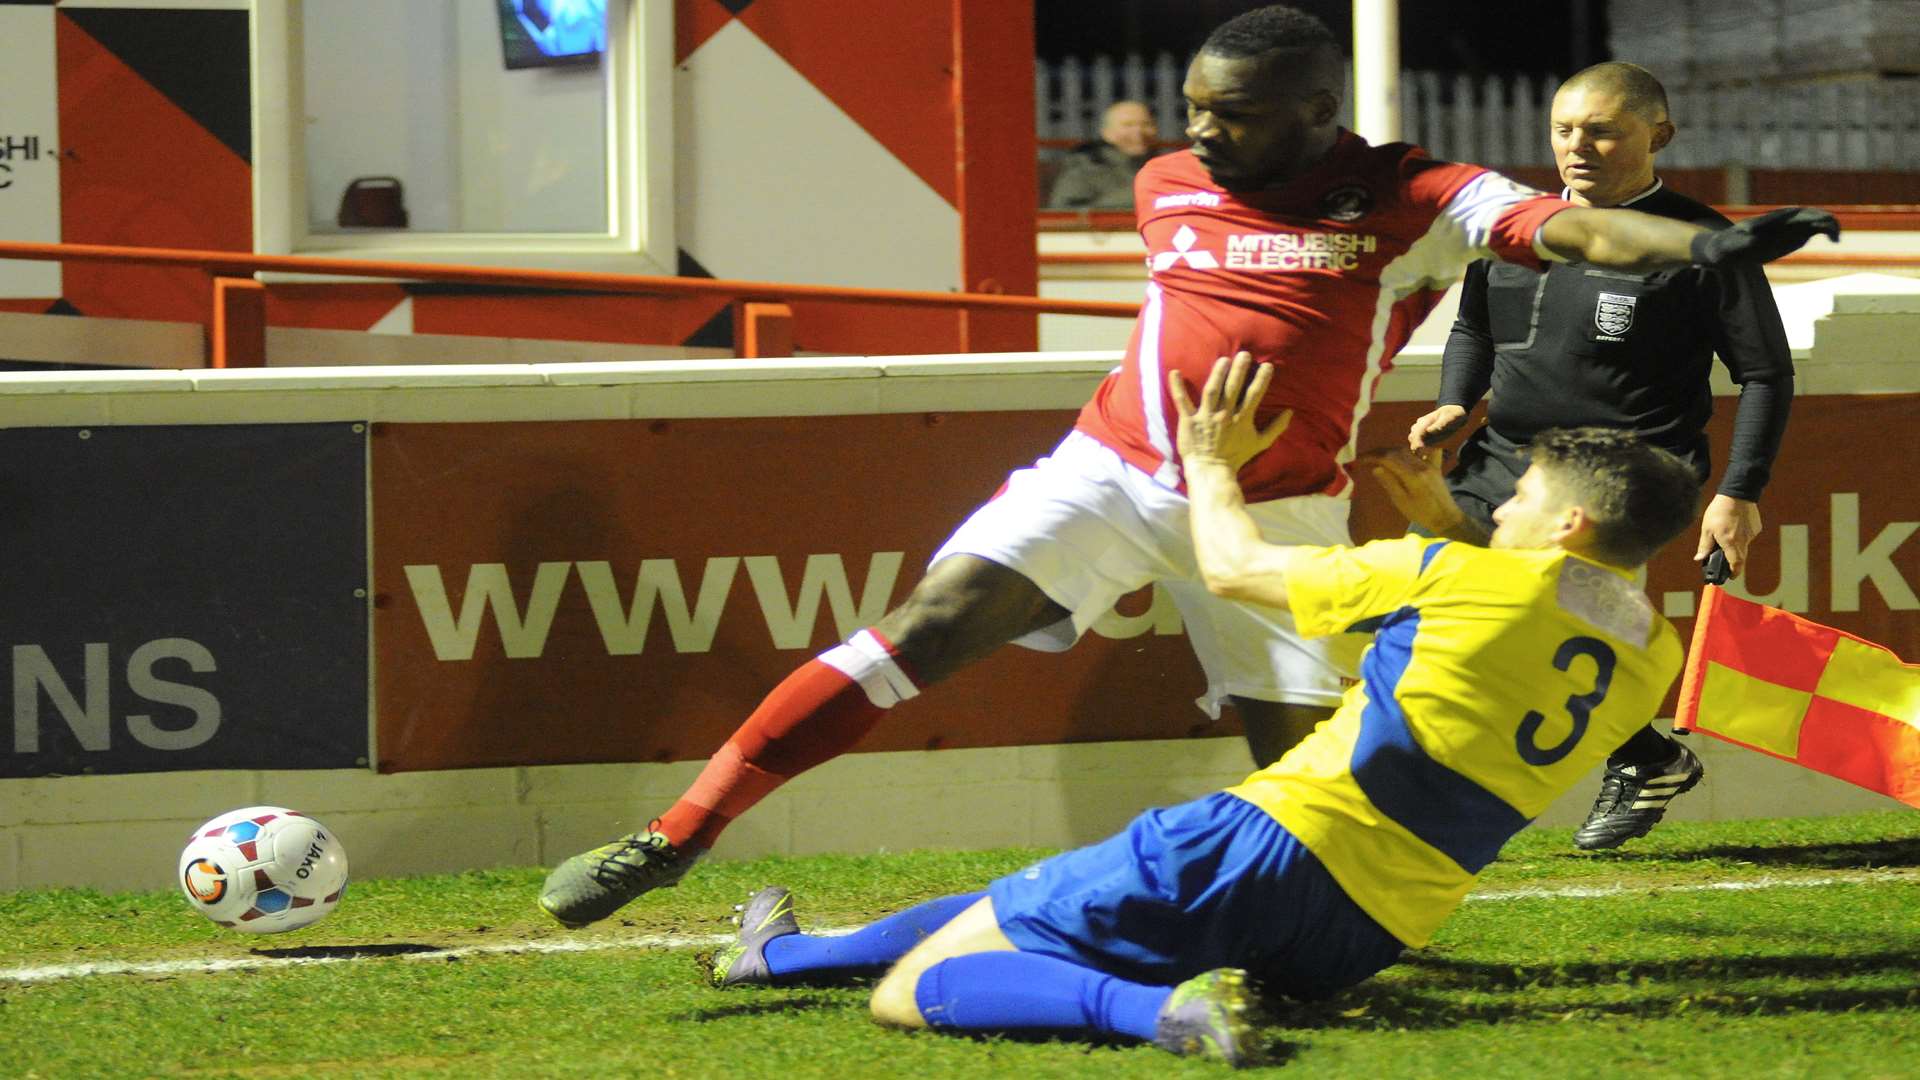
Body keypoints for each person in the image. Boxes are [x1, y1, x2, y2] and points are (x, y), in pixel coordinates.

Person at [538, 4, 1837, 930]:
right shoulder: (1164, 182)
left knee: (1309, 778)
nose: (1201, 137)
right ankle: (677, 835)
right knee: (925, 628)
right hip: (1106, 470)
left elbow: (1555, 225)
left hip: (1276, 514)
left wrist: (1699, 254)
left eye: (1236, 118)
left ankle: (1315, 936)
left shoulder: (1405, 192)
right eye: (1197, 112)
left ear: (1319, 116)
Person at [693, 353, 1703, 1068]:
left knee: (913, 990)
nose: (1505, 507)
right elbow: (1511, 623)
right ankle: (778, 956)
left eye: (1521, 495)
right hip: (1373, 926)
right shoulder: (1648, 654)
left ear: (1569, 521)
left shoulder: (1456, 580)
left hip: (1261, 846)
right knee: (1036, 901)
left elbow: (1232, 565)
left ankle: (1154, 1016)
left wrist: (1211, 462)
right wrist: (1449, 527)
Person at [1398, 62, 1800, 851]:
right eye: (1563, 130)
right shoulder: (1518, 226)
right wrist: (1456, 399)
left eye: (1602, 130)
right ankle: (1645, 755)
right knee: (1429, 610)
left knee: (1524, 616)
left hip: (1625, 472)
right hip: (1503, 458)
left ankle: (1611, 763)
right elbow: (1473, 327)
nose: (1576, 147)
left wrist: (1739, 489)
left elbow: (1765, 372)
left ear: (1660, 134)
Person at [1047, 100, 1161, 210]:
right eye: (1128, 125)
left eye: (1146, 124)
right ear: (1106, 133)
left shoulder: (1162, 166)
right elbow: (1065, 212)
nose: (1139, 132)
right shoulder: (1084, 168)